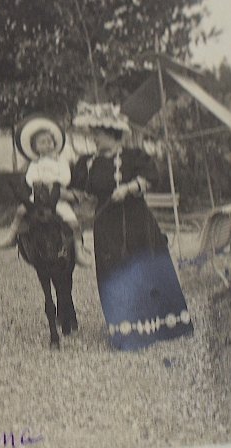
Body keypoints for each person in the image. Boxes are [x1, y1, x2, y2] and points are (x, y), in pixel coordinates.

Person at [69, 101, 193, 350]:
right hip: (106, 224)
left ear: (112, 134)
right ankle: (125, 330)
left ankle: (162, 325)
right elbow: (78, 190)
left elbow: (150, 178)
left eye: (98, 133)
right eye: (92, 133)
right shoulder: (86, 163)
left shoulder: (132, 156)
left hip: (136, 220)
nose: (93, 138)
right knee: (113, 270)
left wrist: (128, 188)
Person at [0, 115, 91, 266]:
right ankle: (12, 236)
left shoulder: (60, 161)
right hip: (39, 196)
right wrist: (38, 181)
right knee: (21, 210)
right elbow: (30, 178)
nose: (47, 145)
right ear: (36, 147)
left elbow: (66, 177)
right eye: (42, 142)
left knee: (72, 220)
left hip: (57, 197)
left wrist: (55, 181)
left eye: (50, 142)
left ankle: (78, 250)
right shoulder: (35, 163)